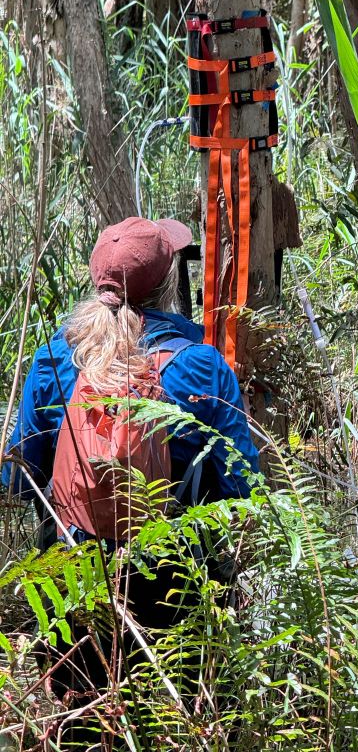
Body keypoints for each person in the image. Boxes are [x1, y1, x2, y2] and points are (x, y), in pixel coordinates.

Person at [2, 217, 261, 715]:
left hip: (71, 580)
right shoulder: (203, 365)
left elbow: (18, 475)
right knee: (173, 718)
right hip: (175, 584)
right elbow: (241, 486)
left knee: (82, 721)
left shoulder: (53, 361)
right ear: (166, 286)